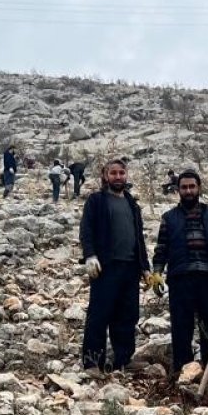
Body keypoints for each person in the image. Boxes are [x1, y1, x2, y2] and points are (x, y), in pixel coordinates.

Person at [149, 170, 208, 377]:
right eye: (184, 187)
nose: (188, 191)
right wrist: (157, 272)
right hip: (181, 279)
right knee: (181, 328)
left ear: (199, 188)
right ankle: (182, 372)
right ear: (178, 190)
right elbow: (161, 249)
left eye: (192, 187)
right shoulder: (168, 218)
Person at [79, 159, 150, 373]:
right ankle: (93, 362)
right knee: (99, 314)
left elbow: (139, 238)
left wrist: (145, 267)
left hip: (130, 268)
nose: (118, 177)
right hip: (105, 267)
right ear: (105, 175)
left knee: (127, 315)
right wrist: (90, 255)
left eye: (121, 173)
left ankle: (123, 359)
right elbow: (86, 230)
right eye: (113, 173)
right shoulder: (96, 201)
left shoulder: (132, 203)